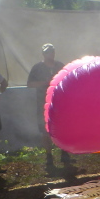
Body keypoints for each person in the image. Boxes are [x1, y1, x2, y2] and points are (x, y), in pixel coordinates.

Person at [27, 43, 71, 171]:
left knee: (61, 128)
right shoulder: (37, 67)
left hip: (59, 103)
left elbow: (68, 79)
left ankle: (64, 153)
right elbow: (30, 84)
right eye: (47, 52)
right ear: (43, 54)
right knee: (45, 131)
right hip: (43, 103)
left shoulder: (60, 65)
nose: (50, 54)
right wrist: (45, 83)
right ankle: (49, 156)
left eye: (51, 52)